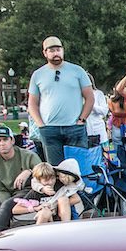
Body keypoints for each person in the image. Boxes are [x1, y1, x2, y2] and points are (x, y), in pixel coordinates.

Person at [28, 35, 93, 166]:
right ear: (45, 53)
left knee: (79, 168)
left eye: (58, 49)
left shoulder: (77, 71)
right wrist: (41, 124)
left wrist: (82, 119)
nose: (56, 53)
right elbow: (32, 103)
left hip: (75, 128)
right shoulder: (38, 74)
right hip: (50, 129)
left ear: (63, 50)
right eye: (51, 51)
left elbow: (90, 97)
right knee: (55, 170)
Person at [0, 125, 41, 220]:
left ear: (12, 141)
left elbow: (44, 173)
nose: (2, 143)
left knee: (6, 206)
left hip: (26, 190)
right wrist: (6, 201)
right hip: (4, 191)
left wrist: (29, 171)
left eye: (5, 139)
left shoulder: (29, 156)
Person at [85, 73, 110, 148]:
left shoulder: (98, 94)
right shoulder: (78, 95)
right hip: (85, 131)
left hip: (98, 129)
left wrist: (91, 105)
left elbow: (104, 111)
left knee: (103, 153)